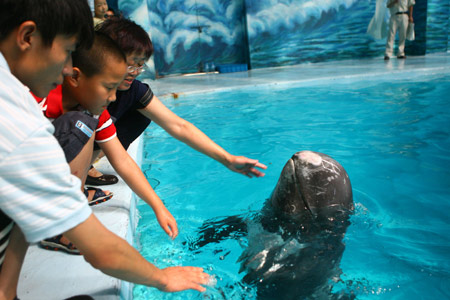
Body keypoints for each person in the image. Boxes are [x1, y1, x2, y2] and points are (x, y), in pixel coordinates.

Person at [0, 1, 208, 299]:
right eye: (68, 50)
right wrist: (162, 278)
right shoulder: (21, 126)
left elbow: (125, 156)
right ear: (28, 37)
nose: (69, 67)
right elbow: (102, 252)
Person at [36, 32, 178, 253]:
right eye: (108, 87)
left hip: (39, 179)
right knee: (79, 123)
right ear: (75, 77)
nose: (113, 98)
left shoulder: (93, 111)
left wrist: (158, 206)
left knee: (84, 122)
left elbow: (121, 159)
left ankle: (72, 206)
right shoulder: (38, 99)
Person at [88, 17, 267, 185]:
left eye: (140, 65)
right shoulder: (84, 87)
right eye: (130, 64)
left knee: (141, 115)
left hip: (95, 143)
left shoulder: (134, 90)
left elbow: (178, 126)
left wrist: (227, 159)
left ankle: (89, 163)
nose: (135, 72)